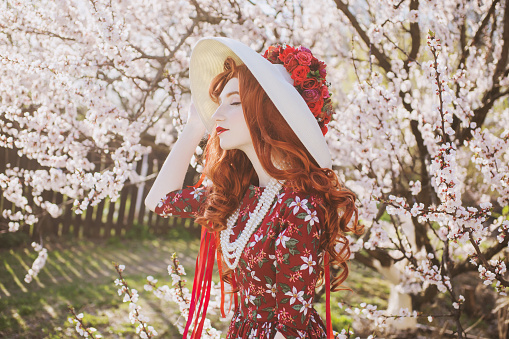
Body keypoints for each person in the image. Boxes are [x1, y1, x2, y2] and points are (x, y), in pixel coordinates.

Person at [145, 37, 362, 339]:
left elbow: (290, 326)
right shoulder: (238, 195)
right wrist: (194, 126)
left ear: (271, 113)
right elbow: (159, 201)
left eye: (233, 102)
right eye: (219, 103)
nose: (217, 115)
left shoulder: (299, 205)